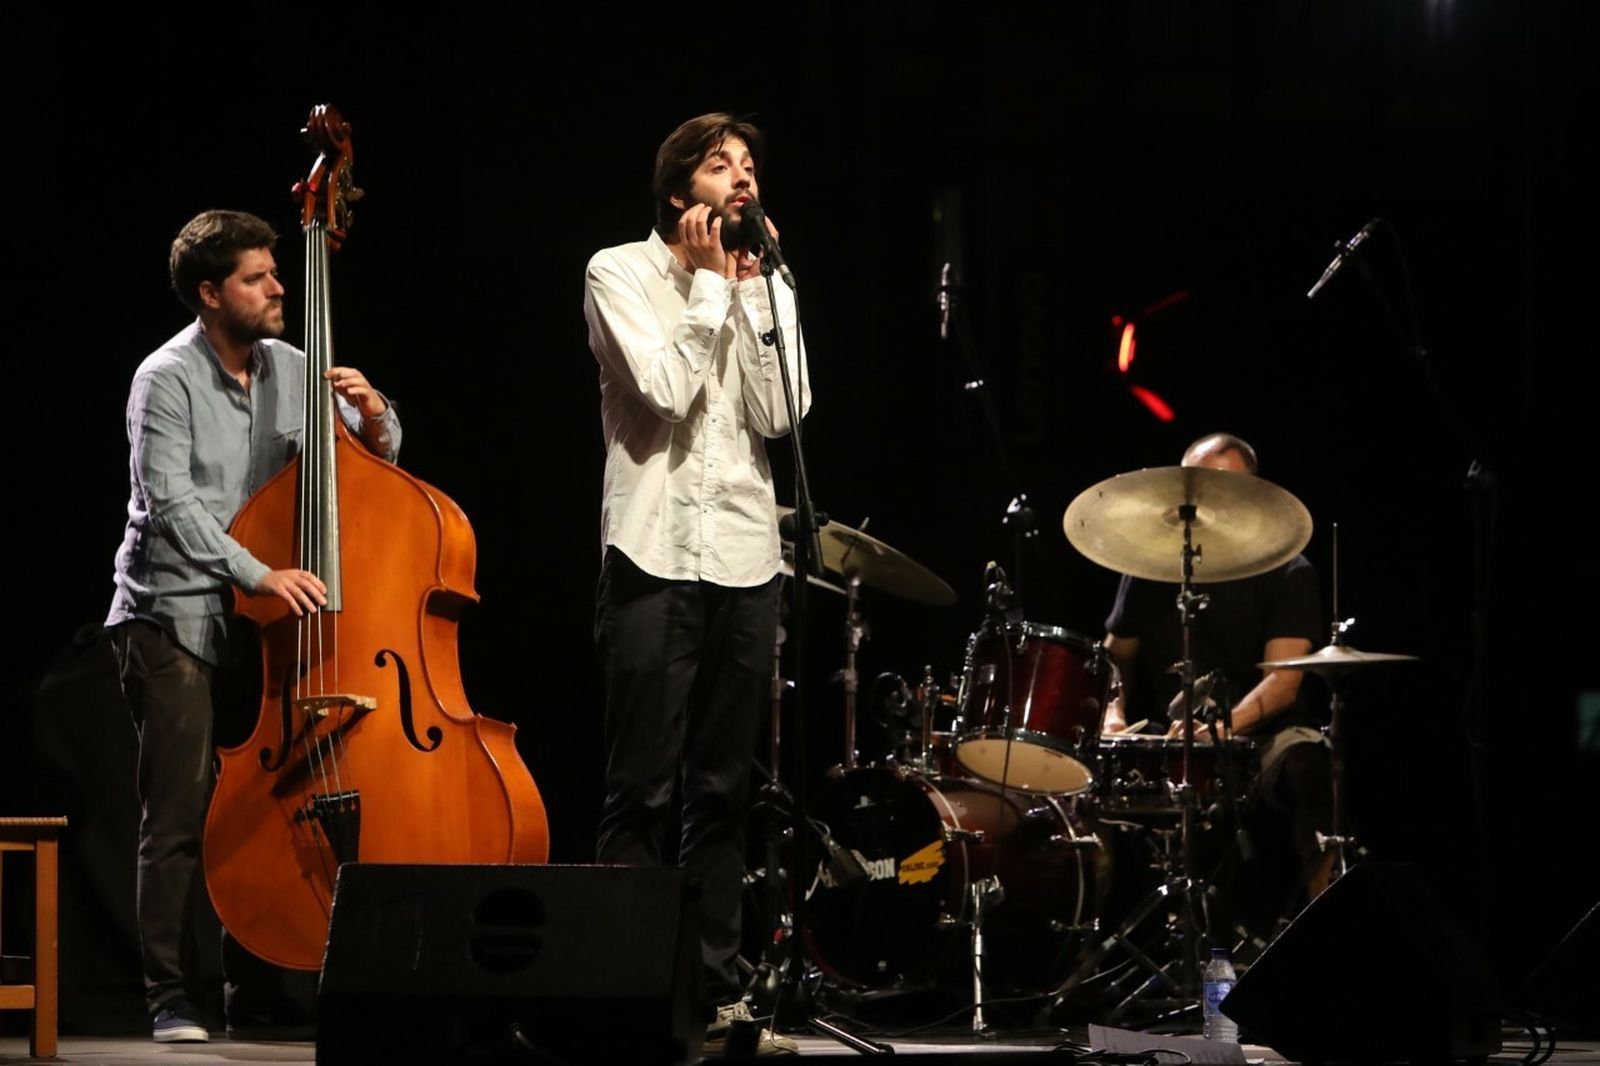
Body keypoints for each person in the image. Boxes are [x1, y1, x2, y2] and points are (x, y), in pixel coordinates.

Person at [106, 209, 401, 1042]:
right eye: (256, 277)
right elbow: (172, 507)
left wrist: (375, 413)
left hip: (268, 620)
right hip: (175, 613)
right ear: (210, 293)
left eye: (278, 272)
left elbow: (372, 467)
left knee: (272, 800)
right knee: (182, 809)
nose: (279, 288)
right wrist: (259, 571)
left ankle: (260, 984)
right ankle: (171, 993)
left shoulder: (292, 367)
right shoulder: (163, 379)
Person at [584, 112, 810, 1056]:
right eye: (722, 166)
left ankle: (716, 995)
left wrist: (755, 300)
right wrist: (713, 292)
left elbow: (781, 410)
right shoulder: (619, 272)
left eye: (752, 165)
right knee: (641, 784)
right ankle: (622, 994)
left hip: (748, 556)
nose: (744, 178)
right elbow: (665, 393)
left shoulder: (773, 283)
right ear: (682, 192)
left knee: (723, 789)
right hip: (653, 553)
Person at [1100, 433, 1337, 922]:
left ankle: (1324, 924)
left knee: (1310, 764)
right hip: (1171, 737)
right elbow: (1114, 658)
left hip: (1263, 736)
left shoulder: (1290, 570)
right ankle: (1087, 948)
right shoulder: (1150, 567)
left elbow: (1284, 682)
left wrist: (1223, 729)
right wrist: (1112, 710)